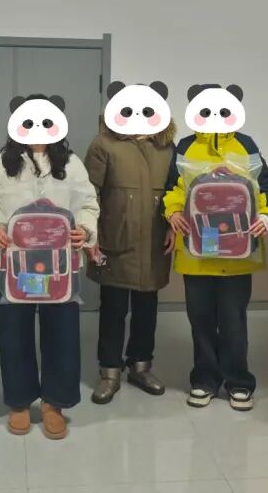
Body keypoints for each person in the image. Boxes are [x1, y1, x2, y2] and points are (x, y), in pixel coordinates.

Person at [0, 94, 100, 440]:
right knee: (13, 333)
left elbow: (89, 203)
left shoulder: (72, 163)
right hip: (14, 263)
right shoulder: (1, 163)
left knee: (61, 333)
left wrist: (85, 229)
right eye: (28, 121)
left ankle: (54, 403)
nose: (37, 129)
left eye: (45, 122)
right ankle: (19, 403)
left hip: (60, 265)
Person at [163, 84, 268, 412]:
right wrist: (172, 212)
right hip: (195, 250)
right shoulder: (185, 146)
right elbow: (172, 187)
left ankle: (239, 382)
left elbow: (266, 187)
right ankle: (204, 380)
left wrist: (266, 216)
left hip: (238, 251)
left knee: (233, 321)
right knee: (200, 320)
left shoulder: (246, 144)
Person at [84, 80, 176, 404]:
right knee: (113, 307)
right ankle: (109, 370)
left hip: (154, 240)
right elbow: (90, 193)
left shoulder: (166, 147)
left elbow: (175, 191)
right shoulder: (103, 144)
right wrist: (91, 235)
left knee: (147, 307)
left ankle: (141, 365)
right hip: (115, 239)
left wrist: (173, 225)